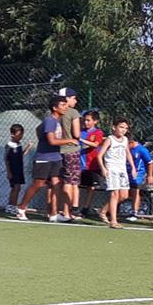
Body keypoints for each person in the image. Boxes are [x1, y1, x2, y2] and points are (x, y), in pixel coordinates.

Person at [18, 95, 75, 222]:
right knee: (38, 184)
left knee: (56, 184)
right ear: (55, 108)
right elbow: (52, 141)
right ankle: (21, 208)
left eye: (66, 104)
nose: (66, 107)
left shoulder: (55, 121)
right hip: (44, 158)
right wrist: (70, 140)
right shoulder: (50, 121)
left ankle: (54, 214)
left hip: (56, 158)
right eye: (63, 105)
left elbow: (38, 128)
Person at [97, 117, 132, 229]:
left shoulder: (125, 140)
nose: (123, 130)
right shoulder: (110, 139)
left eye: (125, 128)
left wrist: (133, 167)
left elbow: (127, 153)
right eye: (121, 127)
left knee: (124, 195)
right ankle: (114, 221)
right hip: (112, 168)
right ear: (114, 127)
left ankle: (103, 210)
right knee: (115, 194)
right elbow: (99, 155)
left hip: (122, 169)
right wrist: (103, 168)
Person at [56, 87, 84, 221]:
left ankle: (58, 211)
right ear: (66, 99)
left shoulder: (54, 112)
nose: (75, 101)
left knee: (60, 181)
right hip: (71, 151)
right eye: (73, 98)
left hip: (57, 151)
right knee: (71, 182)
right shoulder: (73, 112)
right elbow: (77, 134)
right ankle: (67, 212)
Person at [76, 110, 105, 218]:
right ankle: (74, 207)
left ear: (95, 121)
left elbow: (95, 144)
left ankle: (85, 208)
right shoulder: (80, 131)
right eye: (85, 120)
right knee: (75, 186)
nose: (86, 122)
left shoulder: (98, 133)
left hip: (92, 165)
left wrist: (82, 140)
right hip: (79, 164)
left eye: (89, 120)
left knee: (91, 187)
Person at [127, 139, 153, 222]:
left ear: (131, 142)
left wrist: (150, 175)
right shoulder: (127, 149)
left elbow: (150, 162)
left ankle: (134, 213)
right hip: (125, 172)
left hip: (137, 174)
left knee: (135, 191)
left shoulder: (142, 150)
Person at [4, 124, 27, 216]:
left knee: (17, 188)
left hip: (19, 169)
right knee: (15, 187)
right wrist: (8, 171)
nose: (21, 136)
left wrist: (28, 147)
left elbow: (20, 155)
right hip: (13, 169)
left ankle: (11, 205)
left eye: (22, 134)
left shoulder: (19, 144)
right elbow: (6, 159)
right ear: (12, 134)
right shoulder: (9, 145)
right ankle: (12, 205)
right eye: (19, 134)